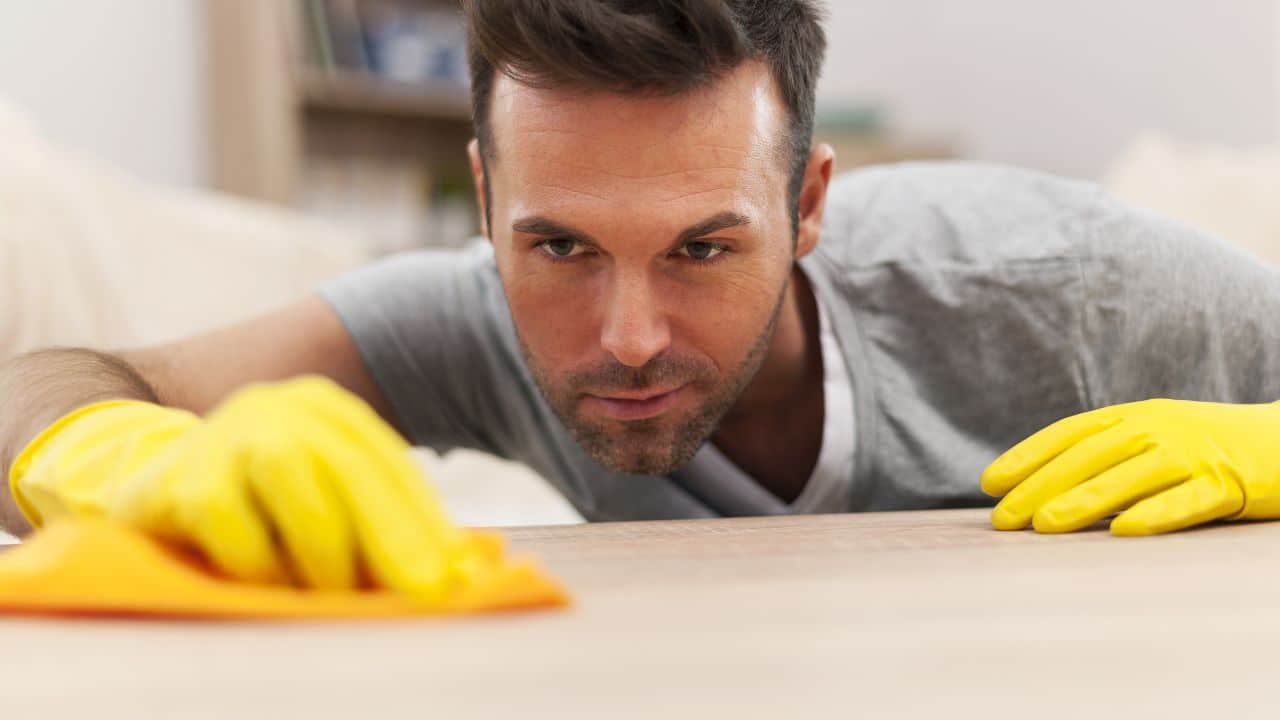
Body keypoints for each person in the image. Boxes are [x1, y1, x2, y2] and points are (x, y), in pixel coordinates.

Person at [4, 0, 1280, 596]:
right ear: (482, 197)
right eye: (556, 248)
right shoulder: (463, 320)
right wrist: (127, 457)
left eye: (702, 251)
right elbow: (46, 384)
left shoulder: (1067, 285)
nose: (624, 340)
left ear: (808, 204)